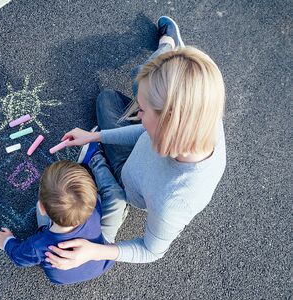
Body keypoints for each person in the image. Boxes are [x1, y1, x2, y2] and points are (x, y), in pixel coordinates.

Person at [44, 16, 226, 269]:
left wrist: (94, 251)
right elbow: (143, 132)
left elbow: (150, 251)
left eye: (142, 110)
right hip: (141, 157)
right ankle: (170, 50)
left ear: (169, 124)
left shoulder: (173, 202)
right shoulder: (202, 113)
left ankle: (169, 57)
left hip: (130, 181)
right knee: (119, 92)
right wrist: (96, 136)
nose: (137, 116)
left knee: (109, 100)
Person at [0, 160, 114, 285]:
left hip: (62, 278)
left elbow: (19, 257)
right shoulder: (95, 207)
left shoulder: (38, 245)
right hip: (103, 262)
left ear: (42, 208)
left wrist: (6, 242)